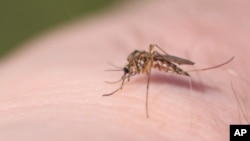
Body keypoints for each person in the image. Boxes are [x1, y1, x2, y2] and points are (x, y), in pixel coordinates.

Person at [0, 1, 249, 140]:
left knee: (152, 55)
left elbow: (147, 61)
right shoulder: (133, 63)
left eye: (126, 74)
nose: (127, 75)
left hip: (160, 60)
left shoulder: (142, 62)